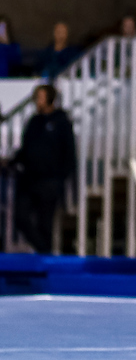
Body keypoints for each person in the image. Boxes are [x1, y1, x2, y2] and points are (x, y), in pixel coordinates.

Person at [11, 83, 76, 253]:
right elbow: (27, 148)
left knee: (45, 223)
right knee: (21, 217)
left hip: (49, 181)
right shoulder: (34, 122)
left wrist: (60, 178)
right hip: (29, 179)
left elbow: (69, 153)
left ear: (50, 99)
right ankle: (43, 249)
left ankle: (45, 256)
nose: (37, 101)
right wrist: (12, 162)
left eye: (40, 97)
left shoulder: (61, 122)